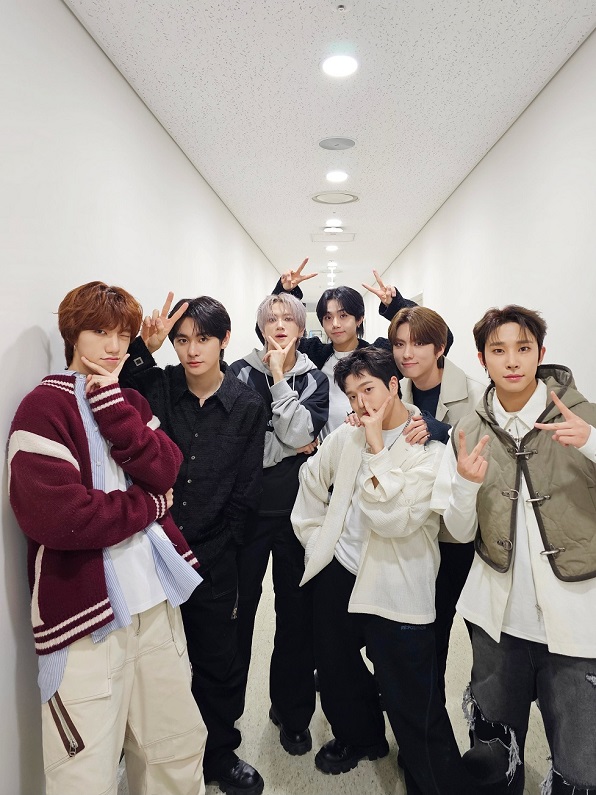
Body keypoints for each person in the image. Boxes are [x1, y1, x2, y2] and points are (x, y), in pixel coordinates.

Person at [8, 281, 207, 795]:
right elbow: (58, 517)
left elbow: (167, 469)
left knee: (176, 751)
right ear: (73, 334)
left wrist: (114, 405)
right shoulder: (42, 408)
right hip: (86, 622)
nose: (115, 346)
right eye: (100, 332)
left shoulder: (129, 399)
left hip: (154, 608)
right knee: (84, 774)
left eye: (123, 334)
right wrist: (148, 507)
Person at [292, 347, 480, 795]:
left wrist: (378, 447)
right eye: (352, 395)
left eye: (369, 389)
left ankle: (434, 780)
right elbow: (311, 480)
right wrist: (319, 541)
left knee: (413, 694)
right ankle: (361, 737)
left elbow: (396, 520)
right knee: (336, 670)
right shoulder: (346, 435)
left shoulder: (429, 446)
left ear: (393, 385)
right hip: (341, 569)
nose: (361, 403)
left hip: (398, 580)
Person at [431, 305, 596, 794]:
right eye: (498, 350)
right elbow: (458, 530)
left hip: (576, 618)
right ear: (483, 359)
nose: (512, 361)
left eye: (523, 349)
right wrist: (465, 484)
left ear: (541, 354)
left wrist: (590, 442)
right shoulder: (467, 430)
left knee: (582, 761)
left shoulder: (583, 417)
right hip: (498, 617)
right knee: (493, 753)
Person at [120, 292, 268, 795]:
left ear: (225, 340)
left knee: (217, 660)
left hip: (213, 553)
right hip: (153, 549)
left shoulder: (247, 404)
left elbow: (246, 488)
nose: (191, 350)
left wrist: (223, 545)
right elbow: (117, 394)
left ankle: (219, 753)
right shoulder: (159, 386)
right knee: (153, 661)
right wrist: (144, 346)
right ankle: (157, 753)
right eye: (182, 340)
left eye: (202, 339)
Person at [228, 292, 329, 758]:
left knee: (295, 618)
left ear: (302, 328)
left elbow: (300, 432)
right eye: (272, 318)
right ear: (261, 327)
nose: (281, 324)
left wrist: (279, 381)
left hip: (298, 516)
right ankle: (223, 719)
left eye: (289, 318)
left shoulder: (314, 378)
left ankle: (292, 714)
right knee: (238, 615)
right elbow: (240, 443)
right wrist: (289, 445)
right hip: (246, 514)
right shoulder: (237, 373)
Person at [387, 305, 485, 700]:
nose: (407, 353)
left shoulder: (475, 393)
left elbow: (488, 457)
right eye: (399, 344)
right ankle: (419, 708)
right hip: (411, 529)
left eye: (418, 344)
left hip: (458, 534)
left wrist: (443, 430)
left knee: (465, 631)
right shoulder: (395, 390)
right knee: (418, 631)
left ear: (440, 347)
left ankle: (471, 716)